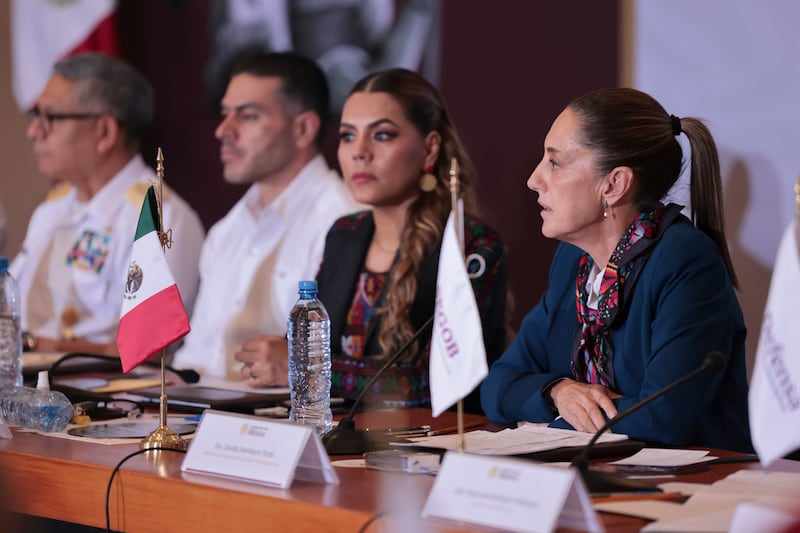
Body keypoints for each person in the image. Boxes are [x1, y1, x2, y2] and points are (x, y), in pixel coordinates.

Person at [480, 87, 752, 452]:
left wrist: (548, 422)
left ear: (614, 184)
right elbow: (498, 385)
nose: (534, 180)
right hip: (605, 479)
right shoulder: (571, 264)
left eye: (555, 163)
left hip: (698, 490)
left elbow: (663, 418)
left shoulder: (686, 261)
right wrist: (558, 392)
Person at [238, 68, 508, 413]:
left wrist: (305, 366)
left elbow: (437, 382)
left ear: (429, 149)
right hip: (340, 437)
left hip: (429, 446)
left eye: (382, 135)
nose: (359, 152)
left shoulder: (472, 244)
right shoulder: (344, 233)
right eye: (348, 137)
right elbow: (312, 352)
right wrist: (277, 362)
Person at [172, 52, 360, 380]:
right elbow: (196, 357)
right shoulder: (226, 230)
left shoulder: (343, 222)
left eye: (247, 116)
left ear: (303, 129)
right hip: (203, 418)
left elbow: (349, 368)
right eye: (225, 114)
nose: (223, 131)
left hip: (291, 424)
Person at [11, 53, 204, 355]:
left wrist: (39, 347)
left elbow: (149, 353)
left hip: (106, 397)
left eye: (50, 118)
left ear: (105, 132)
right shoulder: (51, 211)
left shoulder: (157, 217)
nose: (34, 131)